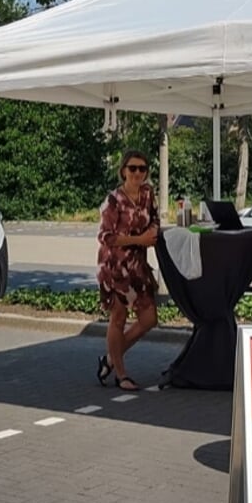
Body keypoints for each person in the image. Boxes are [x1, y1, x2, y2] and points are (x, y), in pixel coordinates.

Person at [96, 151, 159, 390]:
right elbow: (106, 237)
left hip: (138, 266)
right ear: (123, 170)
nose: (137, 173)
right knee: (119, 317)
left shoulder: (148, 193)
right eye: (133, 168)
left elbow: (154, 219)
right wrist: (140, 240)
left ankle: (112, 357)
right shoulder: (113, 200)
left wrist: (151, 233)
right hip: (114, 266)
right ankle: (121, 375)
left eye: (142, 169)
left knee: (149, 318)